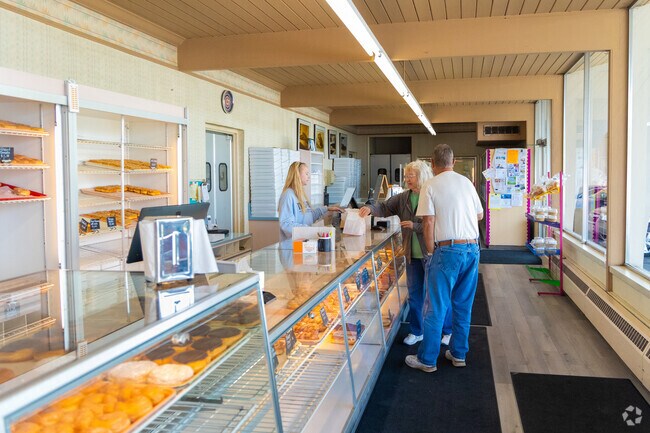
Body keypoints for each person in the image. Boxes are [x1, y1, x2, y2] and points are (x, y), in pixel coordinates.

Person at [406, 144, 483, 373]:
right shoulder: (466, 182)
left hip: (447, 250)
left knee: (436, 306)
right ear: (454, 161)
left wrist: (430, 251)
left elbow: (427, 222)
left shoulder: (431, 184)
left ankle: (428, 359)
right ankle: (459, 354)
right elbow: (479, 214)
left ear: (432, 163)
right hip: (472, 249)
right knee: (463, 305)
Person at [359, 160, 452, 346]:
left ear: (422, 176)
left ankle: (447, 330)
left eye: (411, 175)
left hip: (433, 253)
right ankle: (417, 331)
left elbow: (439, 223)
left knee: (437, 294)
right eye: (406, 175)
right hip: (411, 255)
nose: (407, 179)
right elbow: (385, 207)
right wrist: (370, 208)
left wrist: (415, 226)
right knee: (415, 295)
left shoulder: (432, 195)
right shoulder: (403, 198)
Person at [278, 161, 343, 243]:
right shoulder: (288, 195)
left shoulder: (301, 194)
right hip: (293, 246)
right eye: (306, 173)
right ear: (297, 174)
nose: (309, 177)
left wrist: (327, 209)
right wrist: (310, 230)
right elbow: (286, 225)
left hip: (305, 243)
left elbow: (310, 216)